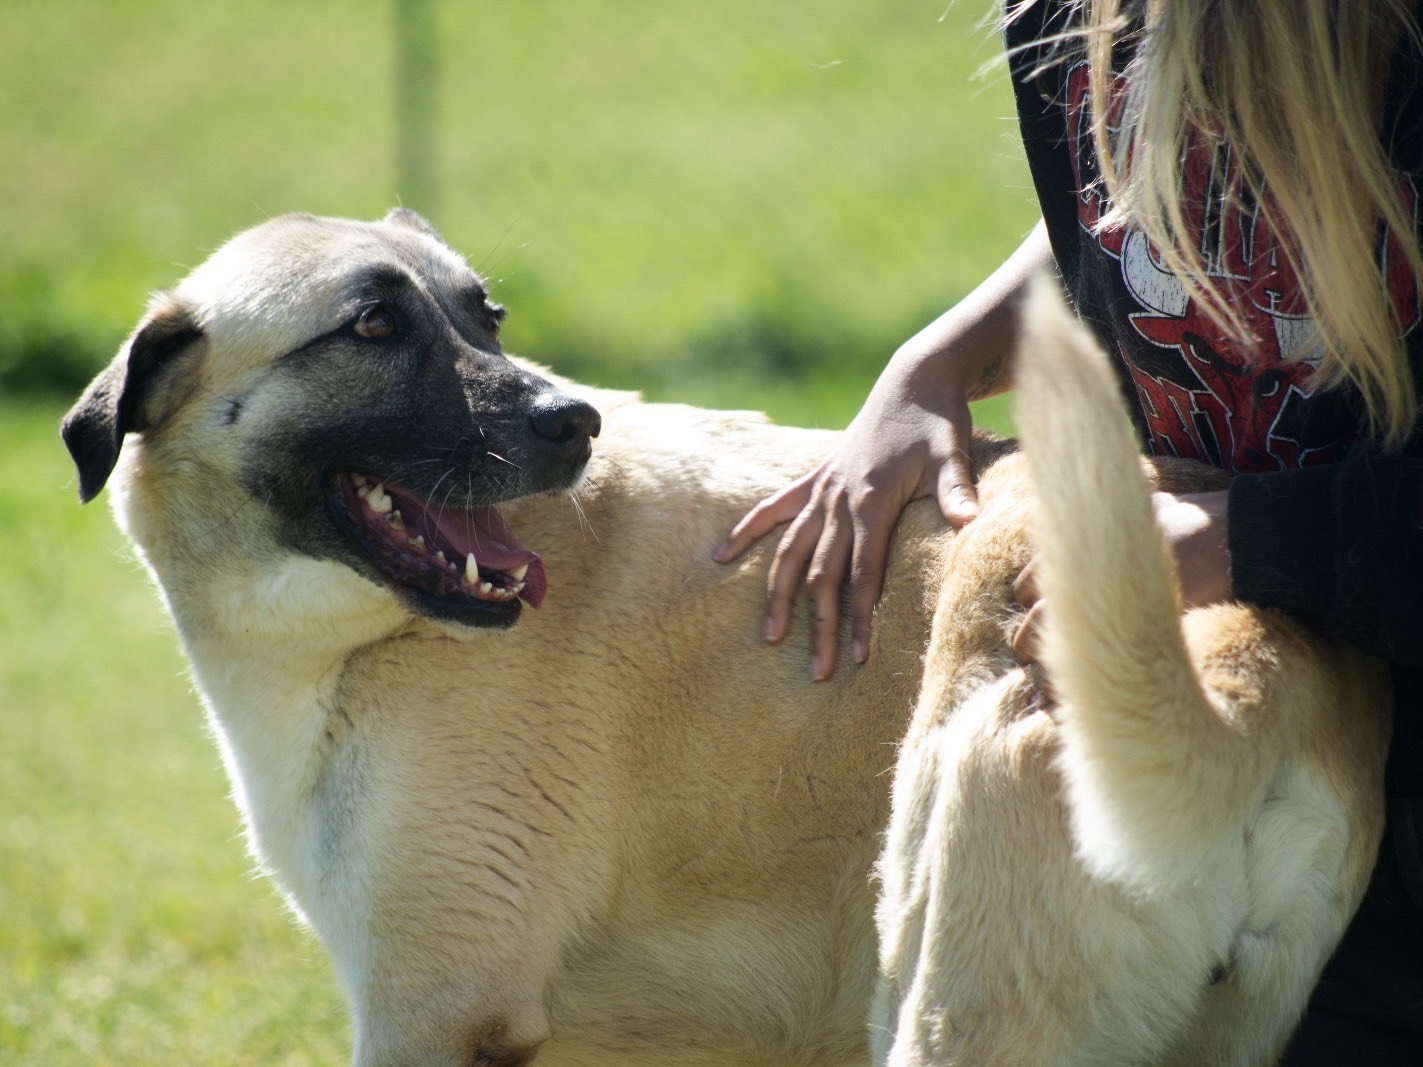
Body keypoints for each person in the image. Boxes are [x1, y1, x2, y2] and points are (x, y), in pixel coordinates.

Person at [714, 0, 1423, 1058]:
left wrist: (1242, 539)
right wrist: (941, 357)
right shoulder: (1073, 21)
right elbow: (1135, 213)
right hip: (1260, 707)